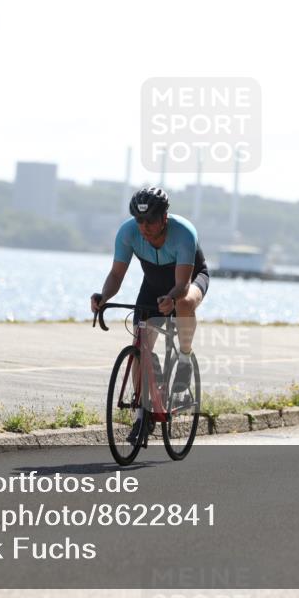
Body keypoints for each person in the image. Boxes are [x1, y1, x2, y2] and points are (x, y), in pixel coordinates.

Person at [90, 186, 209, 442]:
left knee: (185, 304)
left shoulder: (183, 233)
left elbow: (183, 285)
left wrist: (172, 299)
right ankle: (143, 415)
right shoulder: (128, 232)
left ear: (164, 217)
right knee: (141, 346)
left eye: (150, 221)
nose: (144, 226)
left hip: (187, 281)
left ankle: (185, 357)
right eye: (139, 220)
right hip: (153, 285)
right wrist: (104, 297)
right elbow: (116, 275)